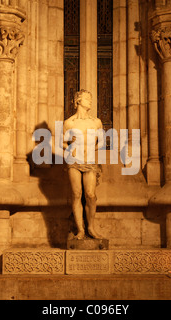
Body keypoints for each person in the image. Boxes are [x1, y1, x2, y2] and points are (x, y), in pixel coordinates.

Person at [63, 89, 104, 240]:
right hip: (74, 162)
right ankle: (80, 229)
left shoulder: (96, 122)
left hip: (90, 161)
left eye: (90, 98)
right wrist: (71, 149)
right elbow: (62, 143)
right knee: (76, 194)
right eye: (87, 98)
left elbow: (101, 142)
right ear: (78, 101)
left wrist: (91, 150)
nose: (90, 101)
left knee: (91, 195)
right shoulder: (69, 123)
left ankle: (91, 227)